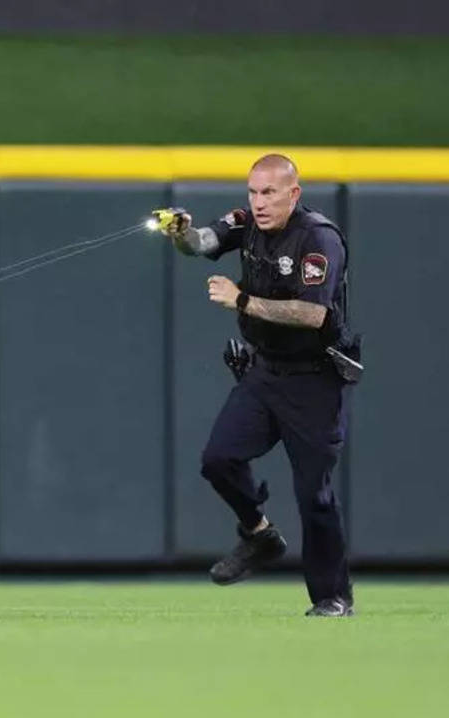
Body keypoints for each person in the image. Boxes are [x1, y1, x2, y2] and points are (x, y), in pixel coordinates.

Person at [154, 153, 357, 617]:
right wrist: (182, 231)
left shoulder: (317, 238)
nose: (258, 202)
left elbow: (314, 313)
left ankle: (332, 596)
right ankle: (259, 534)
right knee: (219, 459)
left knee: (314, 494)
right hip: (265, 372)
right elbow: (203, 242)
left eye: (269, 193)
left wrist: (241, 299)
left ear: (294, 194)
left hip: (314, 379)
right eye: (253, 191)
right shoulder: (247, 223)